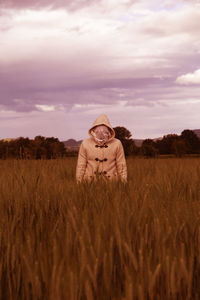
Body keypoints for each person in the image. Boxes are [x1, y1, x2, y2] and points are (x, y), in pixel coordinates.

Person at [76, 114, 127, 183]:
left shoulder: (117, 143)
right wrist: (79, 183)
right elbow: (81, 165)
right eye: (98, 132)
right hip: (89, 183)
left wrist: (123, 183)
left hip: (111, 184)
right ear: (93, 131)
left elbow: (121, 165)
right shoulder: (85, 143)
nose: (101, 135)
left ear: (109, 131)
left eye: (104, 132)